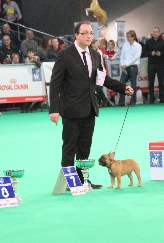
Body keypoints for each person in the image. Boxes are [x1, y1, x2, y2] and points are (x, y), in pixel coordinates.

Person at [49, 21, 134, 187]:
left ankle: (83, 180)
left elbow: (103, 79)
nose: (89, 36)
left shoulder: (96, 55)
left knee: (85, 148)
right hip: (71, 110)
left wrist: (124, 88)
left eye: (91, 33)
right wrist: (54, 109)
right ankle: (70, 181)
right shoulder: (65, 55)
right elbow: (55, 84)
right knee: (69, 147)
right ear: (76, 35)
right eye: (85, 33)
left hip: (90, 109)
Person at [142, 27, 164, 104]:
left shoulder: (163, 42)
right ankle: (151, 98)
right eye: (153, 32)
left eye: (156, 32)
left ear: (159, 33)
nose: (155, 33)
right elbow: (143, 53)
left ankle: (162, 98)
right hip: (151, 64)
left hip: (160, 64)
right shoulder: (148, 42)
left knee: (161, 82)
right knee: (151, 82)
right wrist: (151, 53)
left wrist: (161, 54)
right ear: (152, 33)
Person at [118, 30, 142, 107]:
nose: (127, 38)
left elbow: (136, 58)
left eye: (128, 36)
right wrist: (122, 65)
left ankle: (133, 102)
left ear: (133, 37)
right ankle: (121, 102)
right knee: (121, 83)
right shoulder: (125, 45)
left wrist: (126, 65)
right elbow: (122, 56)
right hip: (125, 67)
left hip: (133, 67)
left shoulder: (138, 46)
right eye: (127, 36)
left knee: (133, 85)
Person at [90, 39, 113, 108]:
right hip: (93, 73)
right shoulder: (89, 52)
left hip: (100, 72)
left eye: (97, 43)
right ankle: (100, 102)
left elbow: (106, 57)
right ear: (92, 44)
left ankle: (105, 100)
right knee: (95, 89)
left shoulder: (100, 51)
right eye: (96, 43)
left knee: (98, 88)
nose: (97, 44)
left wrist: (105, 57)